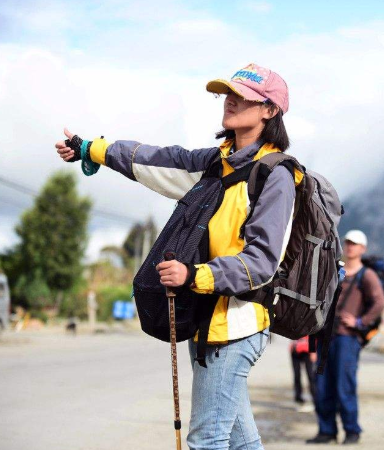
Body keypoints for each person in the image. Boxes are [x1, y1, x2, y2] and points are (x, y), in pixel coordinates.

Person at [56, 63, 297, 450]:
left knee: (206, 439)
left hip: (235, 326)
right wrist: (93, 150)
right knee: (239, 439)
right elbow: (157, 160)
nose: (230, 101)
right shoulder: (215, 164)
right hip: (205, 318)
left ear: (269, 111)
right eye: (227, 93)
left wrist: (194, 275)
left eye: (244, 96)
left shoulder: (276, 176)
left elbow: (262, 262)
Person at [307, 230, 384, 445]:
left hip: (347, 339)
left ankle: (352, 431)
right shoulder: (336, 271)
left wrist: (360, 322)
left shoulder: (366, 275)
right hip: (326, 337)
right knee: (322, 385)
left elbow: (379, 303)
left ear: (363, 249)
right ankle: (326, 431)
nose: (350, 247)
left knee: (344, 385)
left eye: (355, 244)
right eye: (348, 243)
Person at [290, 336, 317, 412]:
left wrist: (313, 351)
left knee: (311, 376)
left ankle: (316, 400)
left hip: (307, 350)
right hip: (295, 349)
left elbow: (313, 331)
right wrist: (292, 344)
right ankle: (299, 400)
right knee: (297, 376)